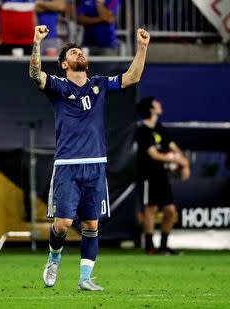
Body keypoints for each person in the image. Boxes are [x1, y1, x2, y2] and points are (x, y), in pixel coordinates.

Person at [29, 25, 150, 290]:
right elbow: (35, 75)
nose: (79, 54)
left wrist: (142, 48)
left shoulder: (99, 85)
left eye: (80, 51)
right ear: (64, 64)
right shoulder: (58, 87)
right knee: (62, 224)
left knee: (91, 223)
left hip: (96, 165)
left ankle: (85, 279)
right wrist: (37, 42)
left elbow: (131, 77)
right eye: (73, 52)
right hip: (67, 166)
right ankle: (54, 256)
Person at [134, 96, 190, 255]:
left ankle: (164, 245)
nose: (160, 104)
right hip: (147, 176)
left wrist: (184, 162)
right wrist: (174, 159)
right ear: (151, 109)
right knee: (150, 209)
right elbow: (153, 154)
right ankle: (150, 246)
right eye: (156, 103)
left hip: (161, 175)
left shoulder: (159, 128)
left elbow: (173, 146)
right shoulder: (142, 131)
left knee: (170, 211)